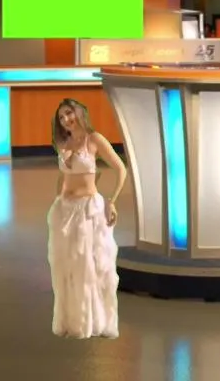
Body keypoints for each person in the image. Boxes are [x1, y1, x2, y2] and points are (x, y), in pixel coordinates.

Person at [48, 98, 127, 339]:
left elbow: (121, 169)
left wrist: (111, 201)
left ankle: (91, 321)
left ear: (79, 113)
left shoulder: (94, 140)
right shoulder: (64, 143)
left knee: (88, 265)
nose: (66, 120)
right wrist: (59, 198)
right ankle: (71, 320)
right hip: (65, 210)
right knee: (67, 266)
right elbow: (64, 177)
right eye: (61, 117)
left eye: (69, 113)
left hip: (88, 210)